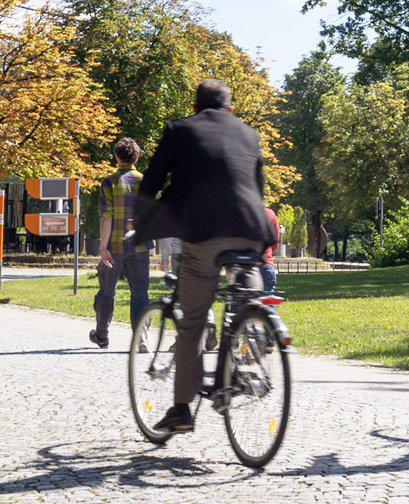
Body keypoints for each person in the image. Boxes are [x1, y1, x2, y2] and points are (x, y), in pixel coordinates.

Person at [133, 78, 278, 433]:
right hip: (251, 230)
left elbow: (151, 181)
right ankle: (252, 334)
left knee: (193, 319)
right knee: (248, 295)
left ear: (195, 107)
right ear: (230, 108)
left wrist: (143, 222)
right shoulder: (249, 133)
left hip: (204, 231)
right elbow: (257, 187)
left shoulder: (179, 130)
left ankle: (181, 409)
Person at [90, 138, 150, 348]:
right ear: (137, 157)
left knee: (107, 291)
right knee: (140, 292)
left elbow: (107, 216)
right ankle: (141, 338)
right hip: (140, 246)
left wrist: (103, 247)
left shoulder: (109, 182)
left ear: (116, 157)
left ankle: (102, 335)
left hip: (115, 246)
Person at [260, 206, 281, 291]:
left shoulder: (240, 213)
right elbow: (275, 240)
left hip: (246, 267)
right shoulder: (269, 213)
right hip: (266, 265)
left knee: (242, 301)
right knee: (268, 301)